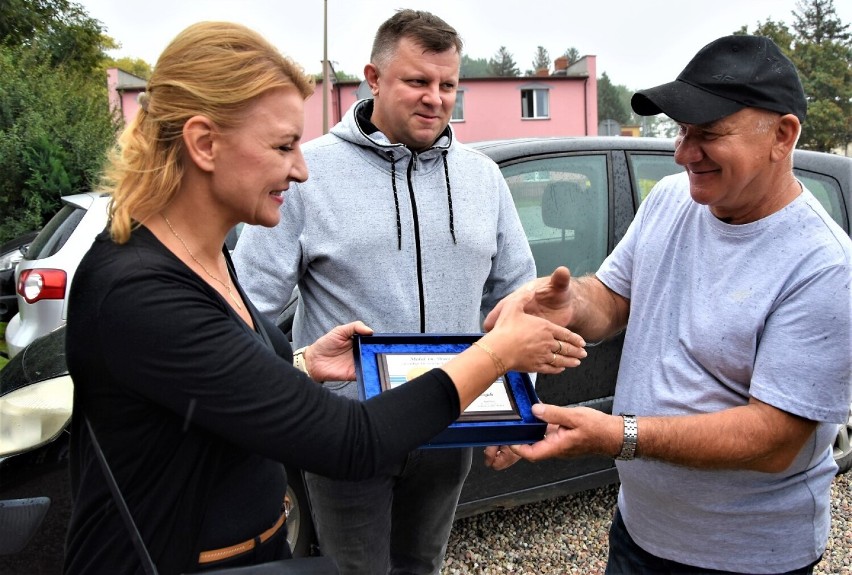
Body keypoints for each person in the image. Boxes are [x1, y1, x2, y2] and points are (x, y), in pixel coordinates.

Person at [61, 21, 587, 575]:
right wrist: (498, 354)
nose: (301, 168)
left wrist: (300, 364)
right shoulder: (141, 290)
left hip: (409, 450)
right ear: (204, 143)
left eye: (448, 85)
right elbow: (349, 442)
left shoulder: (202, 256)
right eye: (284, 145)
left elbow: (222, 367)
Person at [485, 35, 852, 574]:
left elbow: (774, 440)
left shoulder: (825, 268)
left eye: (708, 134)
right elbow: (612, 299)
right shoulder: (670, 200)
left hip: (747, 558)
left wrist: (618, 434)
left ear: (782, 134)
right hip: (638, 532)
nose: (682, 153)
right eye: (682, 132)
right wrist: (571, 305)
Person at [232, 9, 537, 575]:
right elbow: (248, 306)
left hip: (453, 424)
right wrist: (282, 403)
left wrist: (520, 406)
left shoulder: (482, 177)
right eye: (417, 81)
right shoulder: (308, 173)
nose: (435, 98)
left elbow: (517, 294)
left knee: (422, 565)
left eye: (448, 85)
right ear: (373, 78)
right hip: (346, 435)